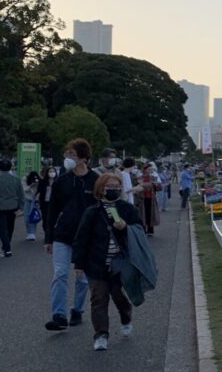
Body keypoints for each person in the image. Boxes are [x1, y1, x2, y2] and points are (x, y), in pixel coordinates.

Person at [72, 172, 143, 351]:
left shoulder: (127, 209)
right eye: (109, 187)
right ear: (100, 189)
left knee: (119, 296)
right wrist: (78, 264)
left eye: (116, 187)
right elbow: (81, 239)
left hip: (120, 263)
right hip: (96, 263)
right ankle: (101, 334)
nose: (113, 190)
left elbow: (139, 230)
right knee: (98, 299)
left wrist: (125, 227)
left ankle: (126, 317)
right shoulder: (92, 212)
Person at [44, 139, 99, 331]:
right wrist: (48, 237)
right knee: (60, 274)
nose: (68, 158)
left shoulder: (95, 180)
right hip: (63, 234)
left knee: (82, 278)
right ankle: (59, 315)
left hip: (87, 237)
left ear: (84, 158)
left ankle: (77, 309)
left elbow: (104, 207)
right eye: (67, 154)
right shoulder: (62, 181)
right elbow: (52, 210)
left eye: (72, 155)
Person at [0, 159, 21, 258]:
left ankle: (6, 247)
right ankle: (6, 247)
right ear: (11, 168)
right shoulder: (16, 179)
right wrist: (21, 206)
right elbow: (20, 194)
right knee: (10, 227)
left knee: (2, 227)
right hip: (12, 205)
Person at [135, 163, 162, 235]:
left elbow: (159, 188)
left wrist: (157, 185)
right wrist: (149, 184)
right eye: (149, 169)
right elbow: (138, 187)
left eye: (151, 169)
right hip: (142, 199)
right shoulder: (140, 178)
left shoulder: (153, 177)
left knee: (151, 214)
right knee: (143, 215)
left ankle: (150, 230)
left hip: (151, 198)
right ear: (144, 170)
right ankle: (143, 229)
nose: (150, 171)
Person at [22, 170, 41, 241]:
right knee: (26, 216)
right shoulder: (25, 179)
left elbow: (40, 189)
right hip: (27, 199)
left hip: (35, 199)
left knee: (32, 215)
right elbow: (24, 189)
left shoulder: (39, 180)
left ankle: (33, 233)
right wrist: (31, 185)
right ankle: (29, 233)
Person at [38, 165, 57, 230]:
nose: (52, 173)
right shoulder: (43, 182)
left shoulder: (58, 182)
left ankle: (52, 233)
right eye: (50, 171)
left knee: (53, 219)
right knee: (45, 219)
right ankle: (46, 232)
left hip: (55, 204)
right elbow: (39, 191)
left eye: (53, 171)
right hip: (45, 203)